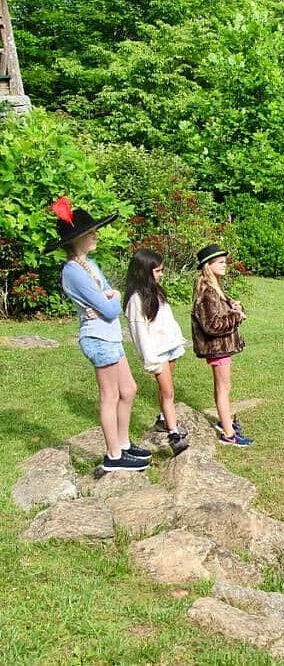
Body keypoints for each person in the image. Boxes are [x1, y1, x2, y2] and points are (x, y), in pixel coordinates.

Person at [45, 196, 150, 471]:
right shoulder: (73, 270)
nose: (95, 235)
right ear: (76, 238)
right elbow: (111, 306)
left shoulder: (89, 264)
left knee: (129, 389)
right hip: (98, 338)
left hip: (110, 334)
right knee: (110, 395)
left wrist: (108, 299)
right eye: (90, 232)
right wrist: (107, 300)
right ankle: (113, 455)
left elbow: (110, 299)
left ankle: (124, 443)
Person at [123, 249, 190, 456]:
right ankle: (173, 434)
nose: (161, 274)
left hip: (169, 347)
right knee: (169, 393)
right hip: (157, 353)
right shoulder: (135, 300)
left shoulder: (156, 291)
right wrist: (150, 360)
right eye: (158, 270)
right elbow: (140, 334)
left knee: (166, 391)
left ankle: (163, 419)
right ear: (144, 271)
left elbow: (166, 321)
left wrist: (177, 341)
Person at [191, 244, 253, 447]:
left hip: (221, 348)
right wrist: (236, 316)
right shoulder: (208, 291)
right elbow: (212, 325)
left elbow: (222, 314)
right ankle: (228, 434)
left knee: (224, 387)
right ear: (208, 266)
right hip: (217, 348)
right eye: (220, 262)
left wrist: (235, 308)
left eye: (225, 262)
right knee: (223, 388)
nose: (225, 265)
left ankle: (224, 423)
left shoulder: (215, 287)